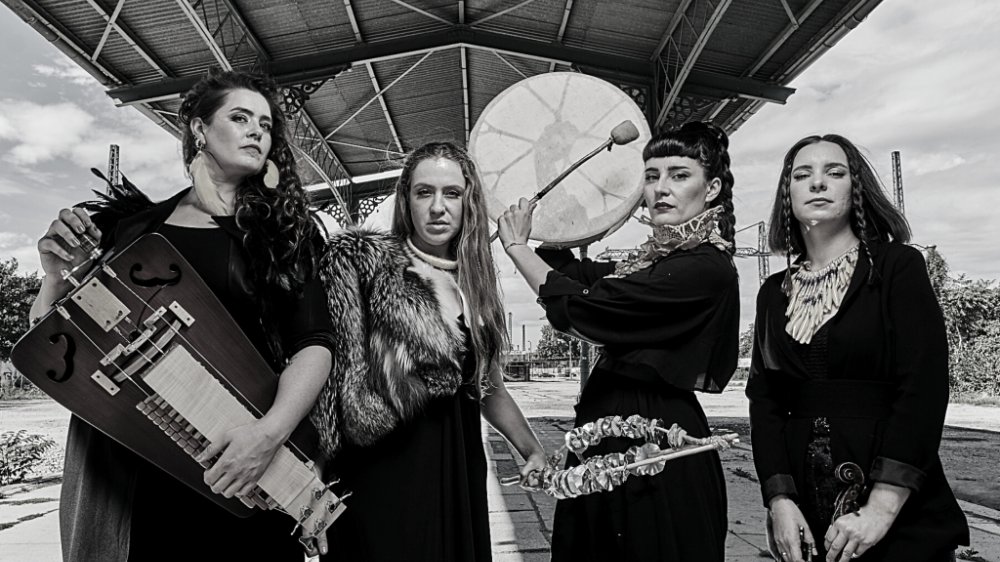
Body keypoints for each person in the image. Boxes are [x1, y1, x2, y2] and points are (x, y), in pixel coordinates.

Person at [29, 68, 335, 561]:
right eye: (240, 117)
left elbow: (314, 344)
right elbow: (60, 346)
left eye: (266, 123)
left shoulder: (284, 237)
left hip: (239, 465)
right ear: (198, 128)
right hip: (136, 476)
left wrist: (267, 435)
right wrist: (53, 275)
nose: (259, 131)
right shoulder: (132, 230)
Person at [497, 121, 740, 561]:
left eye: (679, 175)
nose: (661, 188)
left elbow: (587, 313)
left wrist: (517, 246)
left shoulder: (705, 268)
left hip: (656, 440)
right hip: (604, 432)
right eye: (652, 176)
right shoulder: (652, 260)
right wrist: (558, 217)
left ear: (712, 188)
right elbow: (575, 276)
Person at [311, 141, 546, 561]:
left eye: (451, 193)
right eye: (425, 192)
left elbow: (488, 390)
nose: (438, 207)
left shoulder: (477, 286)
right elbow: (328, 386)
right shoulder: (365, 266)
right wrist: (311, 479)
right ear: (406, 199)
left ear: (467, 201)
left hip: (456, 470)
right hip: (378, 476)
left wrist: (531, 448)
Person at [746, 134, 970, 562]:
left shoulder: (896, 267)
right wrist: (778, 499)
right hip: (804, 512)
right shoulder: (773, 292)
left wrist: (881, 508)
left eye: (835, 172)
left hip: (893, 507)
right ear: (786, 194)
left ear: (856, 189)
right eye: (802, 175)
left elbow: (923, 387)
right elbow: (765, 401)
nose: (817, 183)